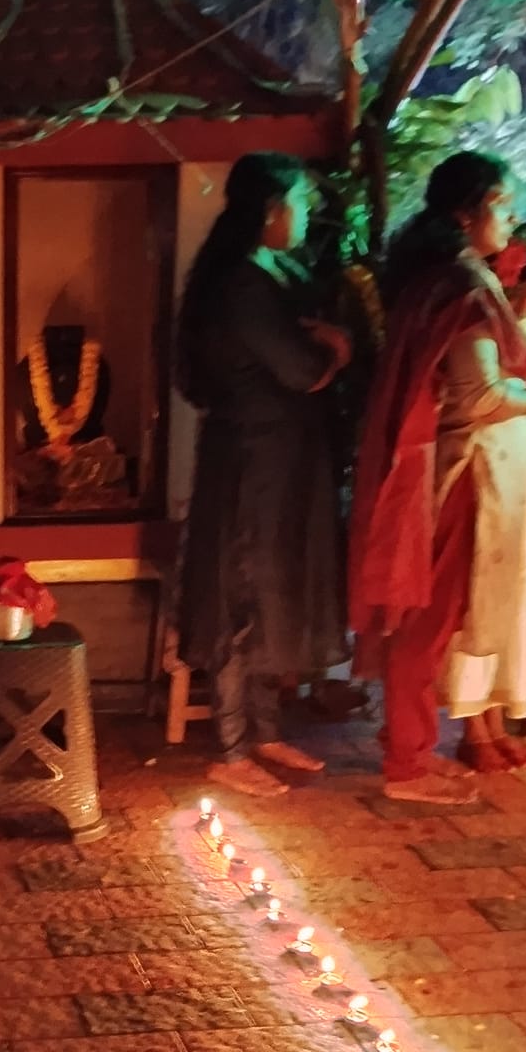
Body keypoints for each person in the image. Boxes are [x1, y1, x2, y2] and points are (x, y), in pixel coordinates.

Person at [349, 152, 526, 806]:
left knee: (427, 615)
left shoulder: (434, 278)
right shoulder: (463, 286)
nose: (512, 218)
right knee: (427, 616)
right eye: (503, 204)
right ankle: (408, 764)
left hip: (437, 466)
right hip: (459, 470)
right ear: (468, 213)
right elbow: (480, 399)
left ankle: (409, 749)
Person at [174, 152, 351, 798]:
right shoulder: (241, 285)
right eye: (300, 202)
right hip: (252, 459)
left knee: (272, 588)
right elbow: (301, 370)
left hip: (282, 457)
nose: (306, 215)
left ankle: (266, 731)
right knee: (241, 592)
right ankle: (229, 745)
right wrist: (334, 347)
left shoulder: (270, 270)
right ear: (272, 210)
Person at [444, 223, 526, 762]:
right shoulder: (486, 330)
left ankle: (498, 714)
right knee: (486, 591)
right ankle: (473, 722)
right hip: (497, 472)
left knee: (521, 595)